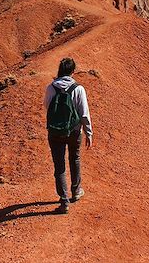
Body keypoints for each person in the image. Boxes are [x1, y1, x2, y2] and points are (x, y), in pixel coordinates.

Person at [44, 57, 92, 214]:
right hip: (73, 131)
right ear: (73, 71)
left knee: (59, 165)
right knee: (75, 158)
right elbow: (84, 114)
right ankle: (76, 191)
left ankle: (64, 201)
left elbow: (47, 107)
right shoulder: (78, 89)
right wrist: (88, 133)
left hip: (55, 131)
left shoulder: (51, 88)